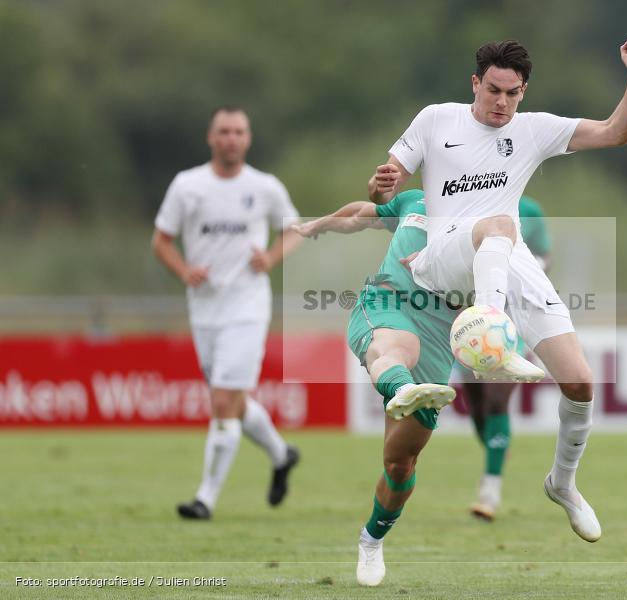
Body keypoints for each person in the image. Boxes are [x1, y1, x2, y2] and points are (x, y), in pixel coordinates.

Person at [368, 37, 627, 544]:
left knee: (580, 381)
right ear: (476, 83)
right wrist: (381, 185)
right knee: (499, 223)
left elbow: (616, 133)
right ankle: (493, 340)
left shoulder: (533, 129)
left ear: (524, 91)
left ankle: (562, 484)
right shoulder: (436, 119)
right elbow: (386, 184)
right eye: (494, 90)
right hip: (443, 256)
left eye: (513, 93)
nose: (502, 103)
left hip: (504, 255)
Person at [294, 189, 458, 587]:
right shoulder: (414, 201)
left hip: (441, 333)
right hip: (387, 303)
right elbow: (360, 213)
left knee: (399, 464)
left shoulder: (489, 217)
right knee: (399, 349)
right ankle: (401, 386)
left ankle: (371, 540)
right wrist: (321, 224)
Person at [152, 106, 303, 520]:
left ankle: (205, 499)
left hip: (247, 306)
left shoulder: (265, 186)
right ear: (211, 137)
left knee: (222, 401)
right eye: (224, 131)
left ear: (248, 139)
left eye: (239, 131)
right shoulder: (187, 186)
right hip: (204, 309)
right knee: (232, 402)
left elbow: (294, 229)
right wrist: (185, 270)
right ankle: (281, 454)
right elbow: (161, 240)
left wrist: (270, 259)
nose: (232, 138)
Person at [462, 195, 551, 521]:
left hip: (512, 320)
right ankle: (497, 447)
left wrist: (530, 266)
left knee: (496, 402)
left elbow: (546, 256)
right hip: (469, 321)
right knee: (475, 406)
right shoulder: (461, 202)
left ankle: (490, 491)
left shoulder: (528, 210)